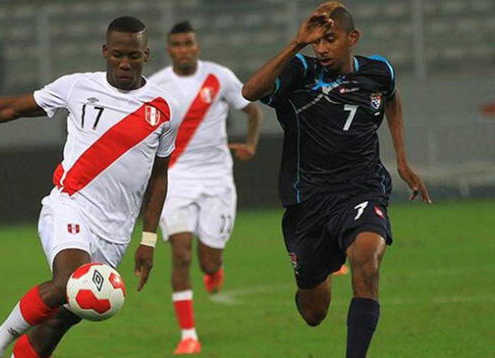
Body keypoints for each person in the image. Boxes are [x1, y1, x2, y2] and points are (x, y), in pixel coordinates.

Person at [0, 16, 179, 358]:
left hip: (117, 230)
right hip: (72, 204)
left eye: (134, 56)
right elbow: (10, 109)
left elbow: (159, 176)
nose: (125, 64)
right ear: (105, 51)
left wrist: (149, 239)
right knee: (68, 283)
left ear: (147, 55)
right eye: (118, 55)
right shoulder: (78, 87)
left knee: (62, 318)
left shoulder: (165, 109)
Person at [241, 2, 431, 358]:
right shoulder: (299, 70)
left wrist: (403, 161)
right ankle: (322, 267)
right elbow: (249, 92)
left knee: (367, 261)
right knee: (314, 312)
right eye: (317, 42)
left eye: (330, 39)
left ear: (352, 38)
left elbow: (391, 99)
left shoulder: (379, 71)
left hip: (361, 189)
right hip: (308, 201)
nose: (322, 48)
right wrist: (296, 43)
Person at [147, 21, 263, 355]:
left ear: (197, 46)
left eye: (189, 43)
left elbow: (252, 110)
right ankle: (188, 335)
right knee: (180, 252)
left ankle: (215, 268)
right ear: (169, 50)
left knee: (208, 262)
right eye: (177, 45)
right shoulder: (157, 85)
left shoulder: (220, 77)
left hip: (216, 179)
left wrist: (251, 145)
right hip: (176, 177)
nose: (184, 49)